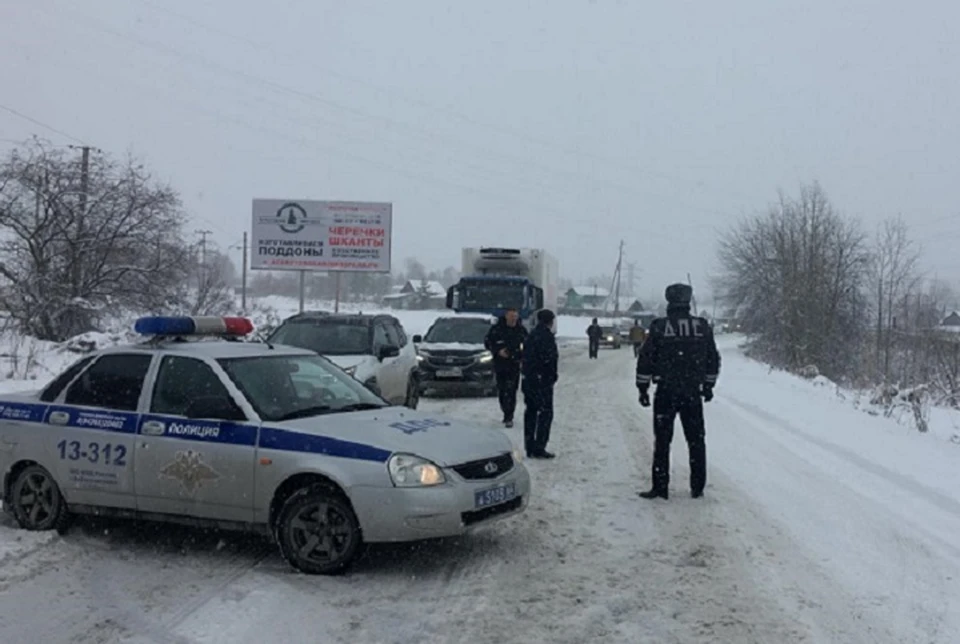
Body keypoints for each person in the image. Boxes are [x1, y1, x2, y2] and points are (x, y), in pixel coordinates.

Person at [635, 284, 720, 500]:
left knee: (662, 441)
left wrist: (643, 388)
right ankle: (697, 486)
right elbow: (712, 359)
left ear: (669, 301)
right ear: (688, 301)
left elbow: (646, 360)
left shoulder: (659, 327)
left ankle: (660, 487)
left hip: (666, 391)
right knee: (696, 440)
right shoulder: (701, 327)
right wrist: (708, 386)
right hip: (692, 393)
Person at [522, 309, 559, 459]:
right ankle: (539, 446)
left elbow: (526, 358)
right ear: (550, 322)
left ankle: (529, 446)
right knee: (545, 413)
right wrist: (550, 377)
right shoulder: (547, 337)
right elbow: (550, 361)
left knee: (530, 412)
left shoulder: (531, 336)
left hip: (530, 380)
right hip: (542, 382)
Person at [484, 308, 528, 428]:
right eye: (511, 316)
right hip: (500, 365)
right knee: (502, 390)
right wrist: (498, 351)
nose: (514, 318)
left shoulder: (521, 330)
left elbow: (527, 346)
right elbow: (488, 342)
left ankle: (509, 416)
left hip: (514, 365)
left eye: (515, 316)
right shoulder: (497, 329)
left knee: (511, 390)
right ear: (506, 316)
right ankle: (505, 409)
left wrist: (519, 354)